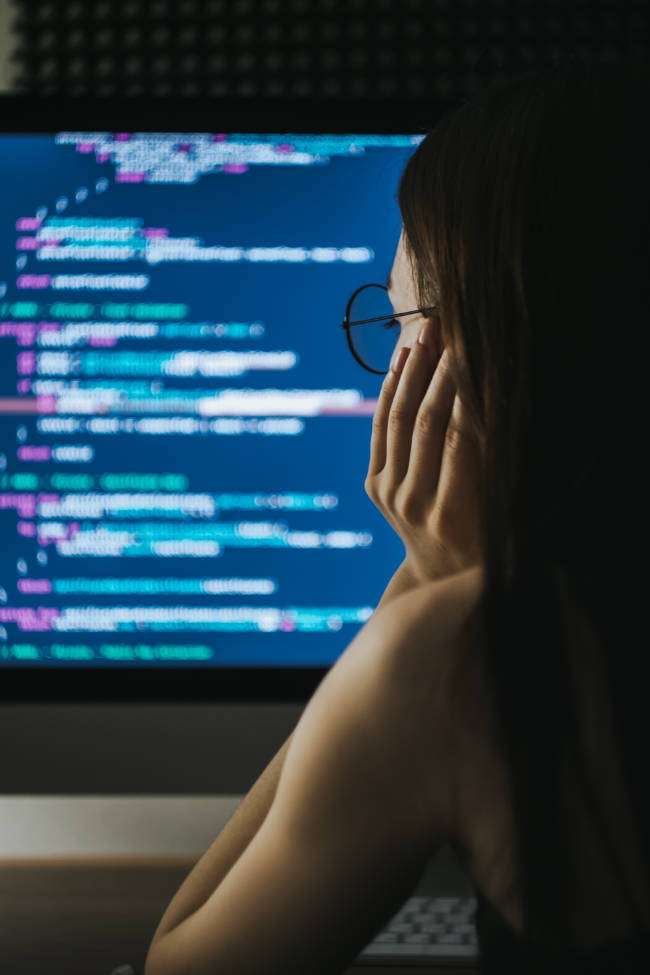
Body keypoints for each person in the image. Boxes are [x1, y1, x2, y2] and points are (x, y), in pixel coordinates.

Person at [145, 58, 650, 975]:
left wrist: (423, 591)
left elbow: (173, 959)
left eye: (400, 318)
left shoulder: (464, 661)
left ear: (471, 348)